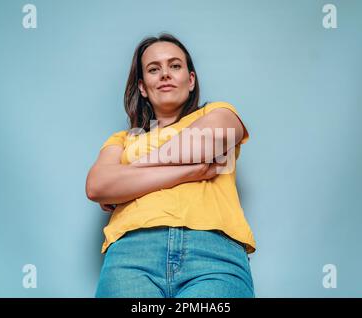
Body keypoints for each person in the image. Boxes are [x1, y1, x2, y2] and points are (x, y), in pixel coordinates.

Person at [85, 33, 256, 298]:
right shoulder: (123, 139)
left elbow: (213, 138)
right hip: (131, 255)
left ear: (190, 80)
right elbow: (97, 186)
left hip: (214, 254)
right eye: (154, 69)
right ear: (143, 87)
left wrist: (129, 173)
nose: (165, 74)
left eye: (175, 66)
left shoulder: (217, 113)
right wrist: (189, 170)